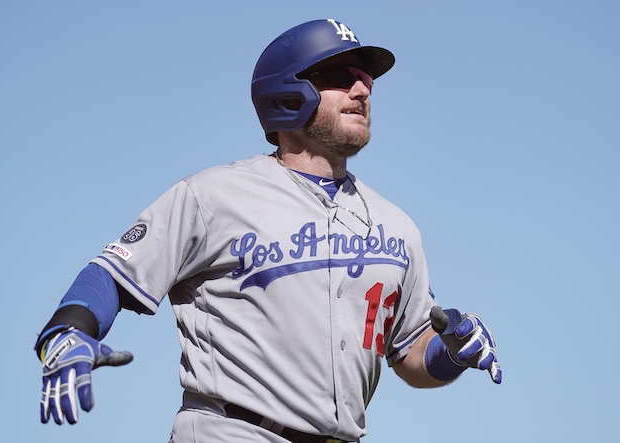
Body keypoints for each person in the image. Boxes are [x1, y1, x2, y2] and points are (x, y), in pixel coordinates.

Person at [35, 18, 502, 443]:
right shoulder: (214, 195)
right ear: (287, 93)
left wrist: (451, 353)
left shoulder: (397, 226)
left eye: (366, 78)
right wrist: (67, 333)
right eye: (342, 76)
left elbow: (410, 353)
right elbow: (114, 273)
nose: (363, 89)